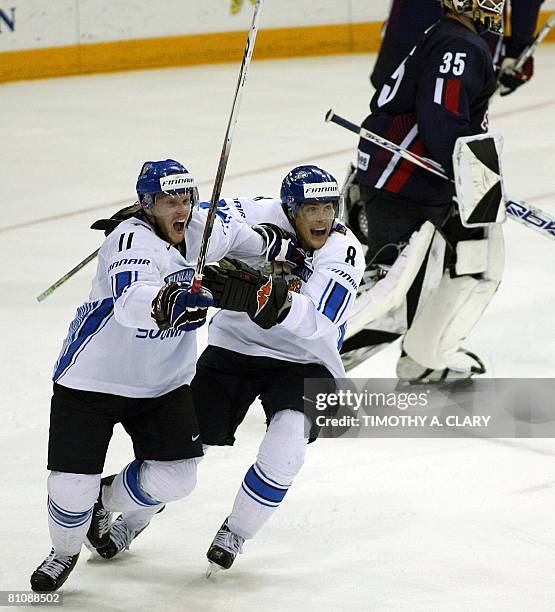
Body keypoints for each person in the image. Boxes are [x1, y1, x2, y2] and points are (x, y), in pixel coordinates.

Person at [29, 159, 298, 592]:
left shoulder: (202, 230)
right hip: (91, 382)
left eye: (185, 199)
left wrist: (281, 251)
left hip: (162, 385)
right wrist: (170, 301)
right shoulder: (128, 241)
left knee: (177, 479)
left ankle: (105, 497)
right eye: (168, 201)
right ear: (146, 204)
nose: (181, 209)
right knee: (68, 493)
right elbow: (132, 298)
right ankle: (64, 552)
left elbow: (250, 241)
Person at [189, 165, 436, 573]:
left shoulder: (344, 249)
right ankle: (121, 512)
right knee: (180, 455)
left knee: (287, 447)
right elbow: (204, 220)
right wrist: (155, 222)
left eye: (328, 207)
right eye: (311, 208)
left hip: (307, 360)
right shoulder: (256, 213)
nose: (322, 218)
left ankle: (236, 532)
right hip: (235, 347)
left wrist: (270, 298)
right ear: (289, 210)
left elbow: (321, 317)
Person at [343, 0, 507, 381]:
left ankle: (423, 358)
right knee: (391, 294)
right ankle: (311, 368)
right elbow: (441, 113)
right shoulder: (459, 44)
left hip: (418, 181)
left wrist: (472, 179)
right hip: (405, 182)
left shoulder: (451, 36)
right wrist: (469, 176)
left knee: (474, 261)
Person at [371, 0, 544, 96]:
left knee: (390, 118)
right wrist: (518, 47)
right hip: (471, 37)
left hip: (408, 27)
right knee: (454, 122)